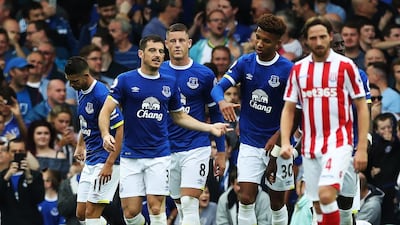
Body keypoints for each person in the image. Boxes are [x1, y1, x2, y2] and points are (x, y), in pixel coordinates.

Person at [98, 34, 229, 225]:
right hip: (130, 154)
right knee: (131, 213)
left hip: (160, 155)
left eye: (160, 51)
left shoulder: (169, 82)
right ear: (141, 53)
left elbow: (179, 116)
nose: (158, 54)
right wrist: (105, 134)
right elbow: (106, 110)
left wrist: (210, 128)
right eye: (152, 50)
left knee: (157, 207)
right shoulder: (125, 80)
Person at [280, 16, 369, 225]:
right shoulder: (298, 70)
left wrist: (363, 147)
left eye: (322, 37)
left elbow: (363, 107)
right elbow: (289, 110)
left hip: (339, 142)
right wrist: (285, 142)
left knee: (328, 195)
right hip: (310, 146)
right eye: (313, 38)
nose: (318, 42)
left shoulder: (346, 67)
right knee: (318, 206)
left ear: (330, 37)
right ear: (306, 41)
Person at [211, 14, 294, 225]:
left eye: (266, 40)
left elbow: (296, 112)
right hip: (249, 141)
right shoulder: (245, 62)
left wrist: (278, 138)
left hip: (278, 145)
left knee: (277, 203)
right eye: (257, 37)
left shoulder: (288, 70)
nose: (259, 43)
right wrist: (222, 102)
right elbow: (218, 88)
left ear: (278, 43)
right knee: (246, 198)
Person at [161, 23, 226, 225]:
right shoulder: (158, 71)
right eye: (173, 41)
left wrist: (221, 152)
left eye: (182, 40)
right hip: (167, 148)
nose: (178, 45)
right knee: (180, 205)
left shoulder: (204, 74)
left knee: (190, 202)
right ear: (166, 44)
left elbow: (215, 112)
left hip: (196, 146)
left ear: (189, 43)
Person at [64, 56, 124, 225]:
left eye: (74, 81)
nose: (71, 85)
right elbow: (87, 122)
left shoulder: (102, 95)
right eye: (69, 81)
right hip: (91, 159)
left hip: (105, 159)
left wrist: (110, 164)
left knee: (91, 215)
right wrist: (80, 145)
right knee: (81, 214)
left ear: (85, 75)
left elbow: (120, 129)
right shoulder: (80, 90)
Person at [0, 138, 45, 225]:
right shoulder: (2, 176)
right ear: (8, 153)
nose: (17, 154)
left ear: (25, 153)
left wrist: (28, 177)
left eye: (20, 151)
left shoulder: (35, 175)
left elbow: (39, 198)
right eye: (14, 151)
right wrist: (6, 177)